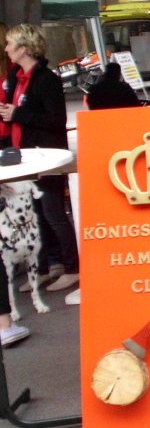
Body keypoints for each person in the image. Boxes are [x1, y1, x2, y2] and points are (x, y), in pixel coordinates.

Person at [0, 24, 80, 295]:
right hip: (23, 157)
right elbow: (18, 113)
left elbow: (56, 120)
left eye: (10, 44)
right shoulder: (16, 78)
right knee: (35, 216)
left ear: (24, 48)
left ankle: (72, 268)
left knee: (53, 214)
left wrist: (18, 114)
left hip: (46, 158)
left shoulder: (47, 79)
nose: (6, 49)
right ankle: (47, 266)